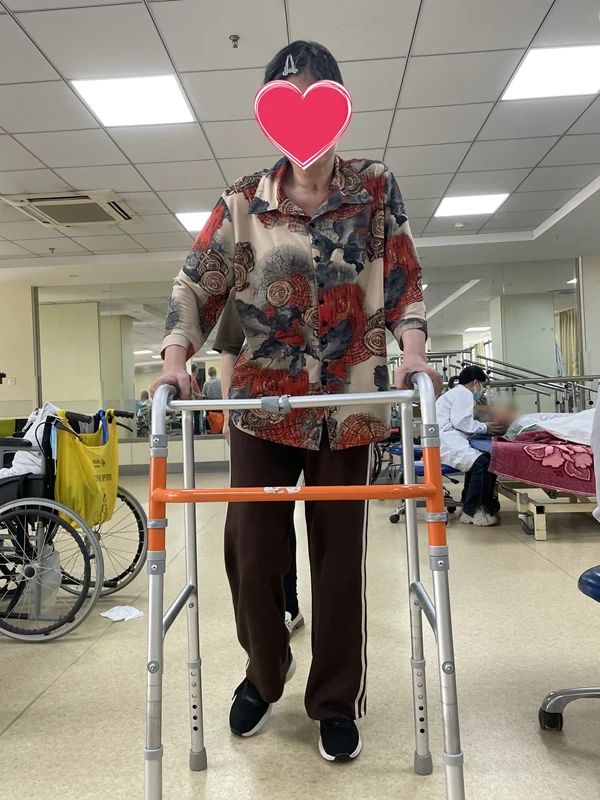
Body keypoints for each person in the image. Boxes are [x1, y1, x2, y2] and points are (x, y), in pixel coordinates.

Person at [152, 39, 439, 762]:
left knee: (339, 562)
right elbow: (195, 283)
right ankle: (264, 671)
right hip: (261, 407)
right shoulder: (243, 201)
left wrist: (411, 351)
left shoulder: (375, 189)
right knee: (252, 553)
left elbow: (403, 278)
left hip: (349, 407)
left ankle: (334, 700)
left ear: (338, 108)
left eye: (316, 98)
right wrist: (176, 361)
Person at [214, 289, 304, 635]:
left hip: (321, 411)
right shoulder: (245, 281)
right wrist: (229, 413)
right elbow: (229, 351)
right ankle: (283, 612)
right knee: (260, 524)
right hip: (258, 417)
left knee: (330, 525)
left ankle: (292, 607)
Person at [436, 366, 502, 527]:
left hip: (445, 441)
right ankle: (472, 511)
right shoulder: (464, 393)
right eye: (483, 386)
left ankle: (468, 503)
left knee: (479, 462)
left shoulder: (453, 393)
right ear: (475, 382)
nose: (482, 390)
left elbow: (459, 420)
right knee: (484, 463)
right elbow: (461, 421)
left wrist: (480, 427)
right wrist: (485, 427)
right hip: (449, 443)